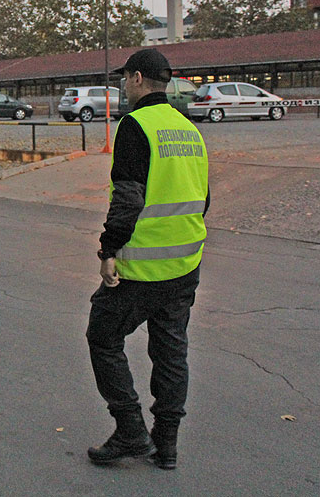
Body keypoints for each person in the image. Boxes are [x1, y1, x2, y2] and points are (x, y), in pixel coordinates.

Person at [86, 48, 209, 470]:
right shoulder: (188, 129)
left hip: (142, 268)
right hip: (185, 264)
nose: (123, 85)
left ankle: (130, 429)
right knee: (171, 353)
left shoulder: (135, 125)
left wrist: (108, 250)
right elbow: (203, 198)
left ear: (137, 78)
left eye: (125, 78)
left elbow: (128, 199)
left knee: (102, 338)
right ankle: (166, 444)